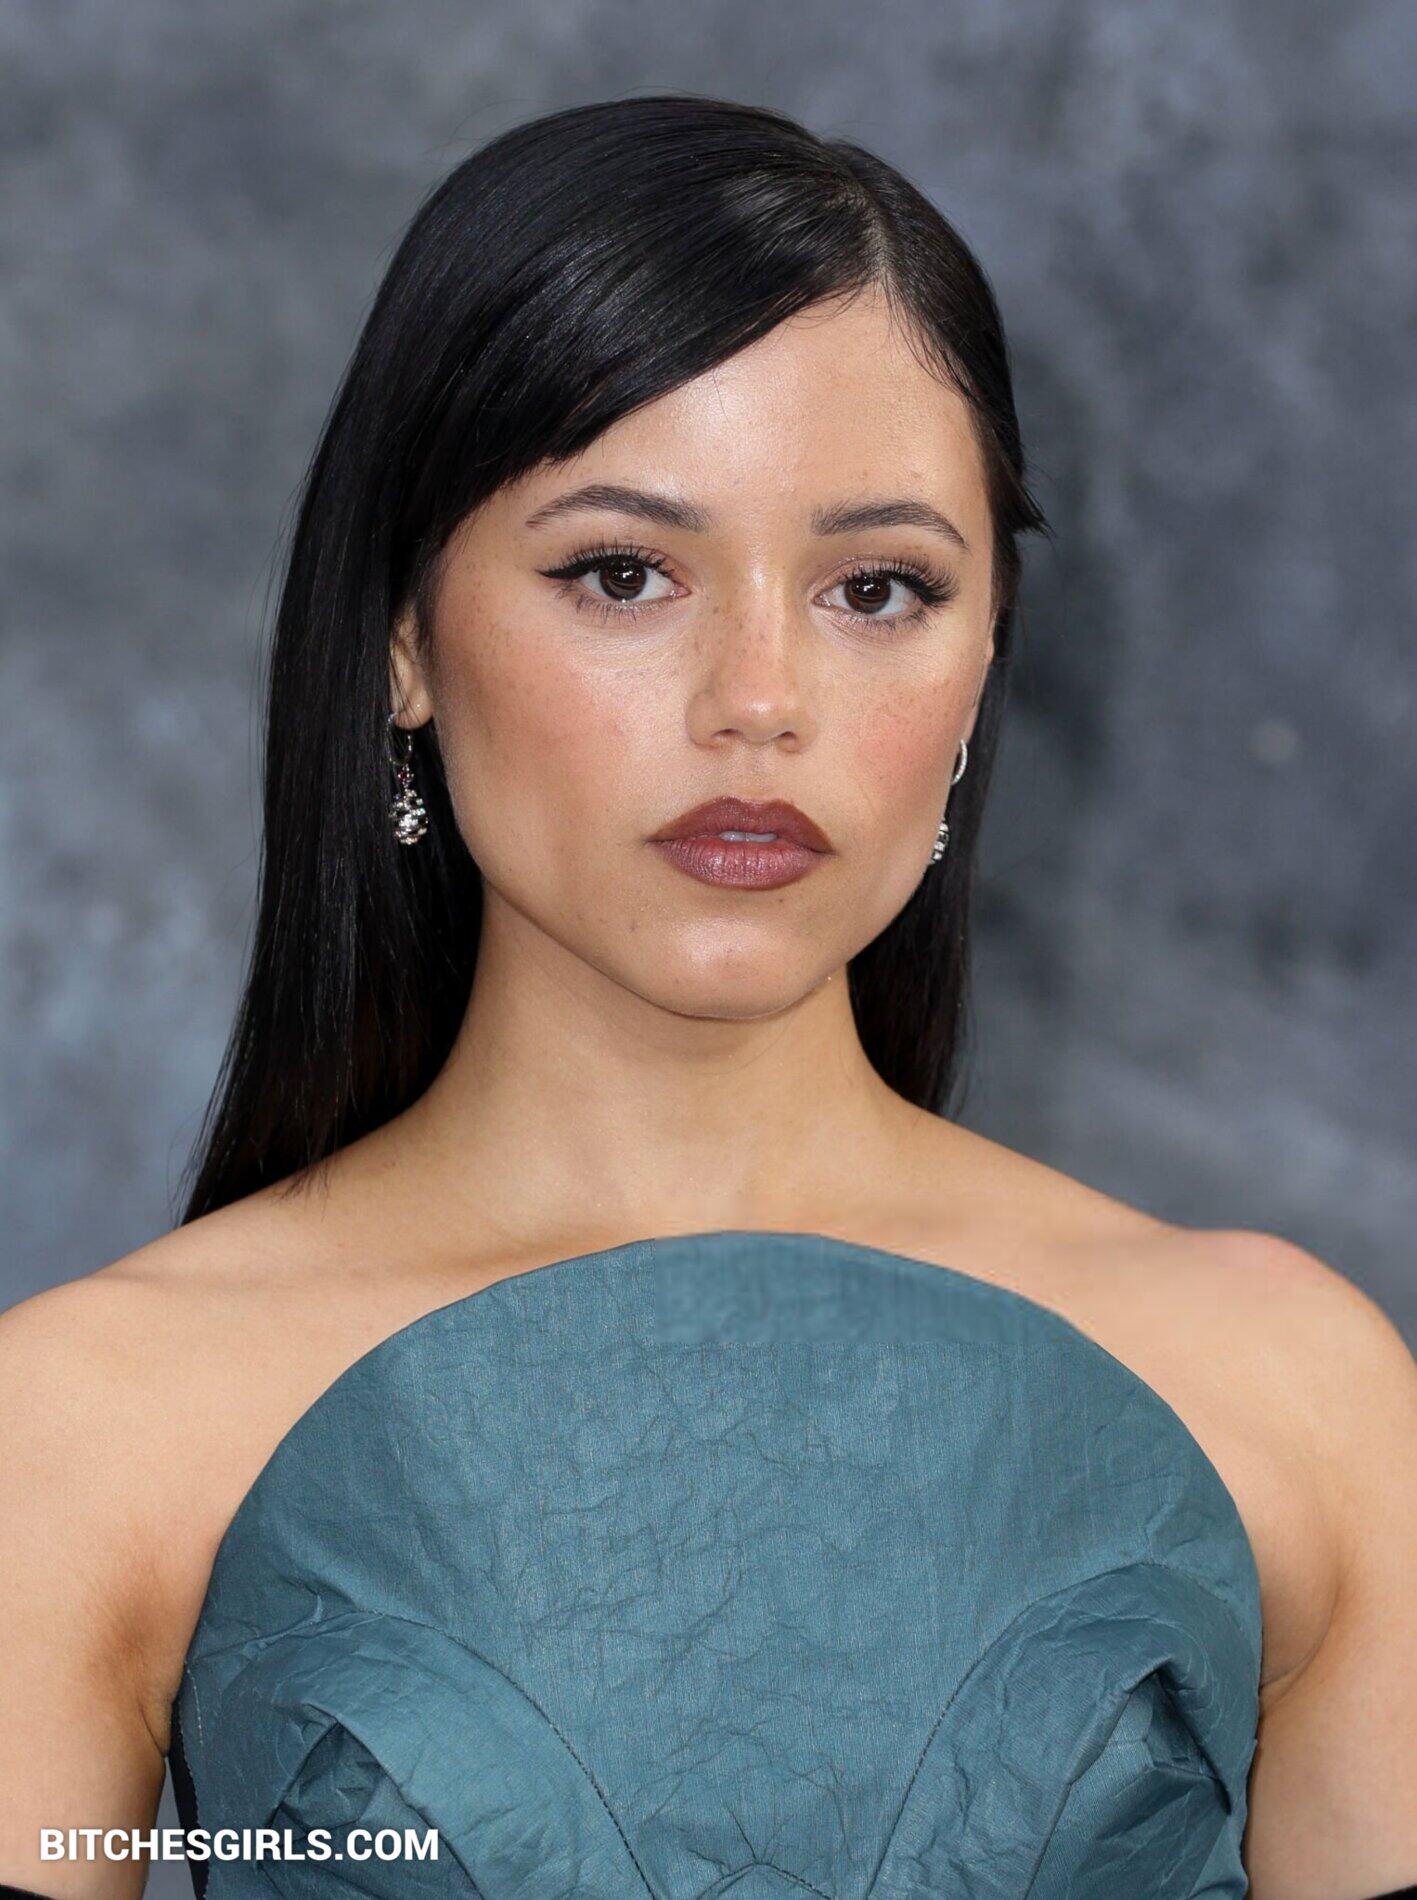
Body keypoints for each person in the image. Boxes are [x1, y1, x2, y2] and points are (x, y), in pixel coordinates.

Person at [1, 93, 1413, 1900]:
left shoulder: (1288, 1394)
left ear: (984, 660)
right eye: (622, 573)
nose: (759, 700)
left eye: (875, 589)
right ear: (405, 639)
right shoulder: (92, 1428)